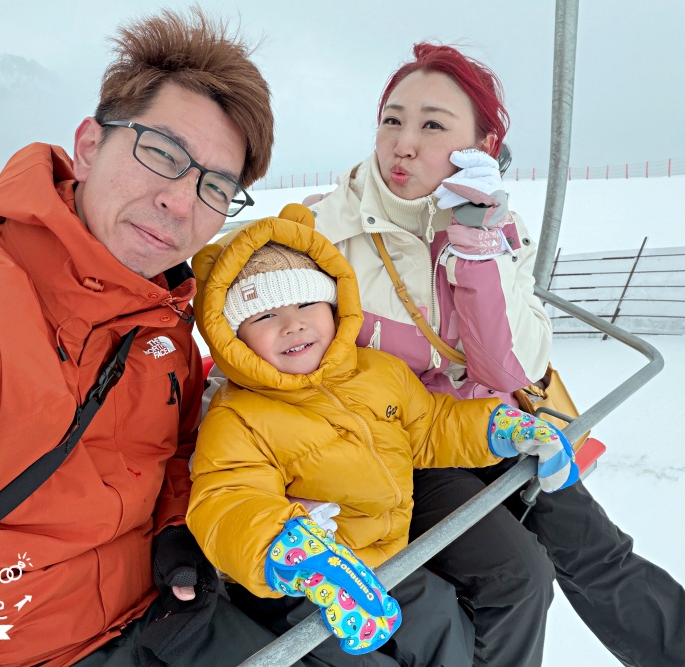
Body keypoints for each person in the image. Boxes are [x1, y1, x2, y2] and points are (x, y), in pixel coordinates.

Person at [0, 9, 300, 667]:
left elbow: (175, 449)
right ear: (89, 146)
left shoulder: (168, 323)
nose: (181, 202)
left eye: (214, 187)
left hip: (157, 614)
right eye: (163, 153)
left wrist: (176, 525)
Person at [306, 42, 685, 667]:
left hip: (499, 420)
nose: (403, 142)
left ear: (482, 147)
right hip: (407, 446)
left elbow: (506, 366)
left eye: (432, 124)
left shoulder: (497, 229)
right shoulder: (321, 234)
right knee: (513, 580)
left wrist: (477, 243)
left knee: (601, 556)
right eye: (392, 119)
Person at [186, 205, 578, 666]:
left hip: (386, 549)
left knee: (460, 607)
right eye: (265, 316)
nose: (292, 324)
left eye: (306, 303)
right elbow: (227, 498)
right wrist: (289, 547)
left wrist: (501, 427)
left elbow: (431, 426)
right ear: (233, 337)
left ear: (335, 306)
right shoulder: (238, 417)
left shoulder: (378, 371)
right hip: (314, 579)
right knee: (414, 633)